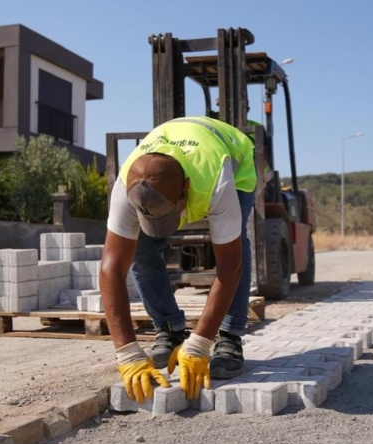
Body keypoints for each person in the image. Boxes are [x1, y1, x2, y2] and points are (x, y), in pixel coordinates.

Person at [101, 116, 257, 403]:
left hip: (233, 159)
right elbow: (111, 268)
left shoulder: (216, 179)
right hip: (176, 149)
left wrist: (200, 344)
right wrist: (127, 352)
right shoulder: (128, 185)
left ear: (186, 187)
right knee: (143, 250)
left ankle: (230, 337)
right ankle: (169, 329)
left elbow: (228, 266)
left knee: (236, 248)